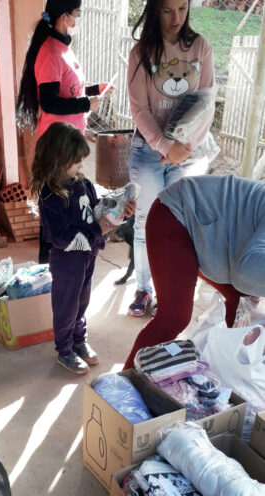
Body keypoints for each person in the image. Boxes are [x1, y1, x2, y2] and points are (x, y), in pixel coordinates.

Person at [127, 0, 215, 317]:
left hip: (187, 153)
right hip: (149, 152)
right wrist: (166, 147)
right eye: (167, 10)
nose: (176, 17)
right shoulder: (141, 52)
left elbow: (206, 101)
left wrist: (183, 147)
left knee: (178, 226)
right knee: (145, 223)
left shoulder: (200, 46)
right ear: (154, 10)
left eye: (182, 8)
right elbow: (140, 109)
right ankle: (142, 290)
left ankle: (169, 294)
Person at [123, 174, 265, 369]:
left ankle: (228, 374)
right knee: (173, 317)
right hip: (176, 215)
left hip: (210, 235)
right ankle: (122, 387)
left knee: (244, 304)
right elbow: (248, 270)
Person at [31, 122, 136, 375]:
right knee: (66, 305)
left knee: (82, 301)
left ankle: (79, 341)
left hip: (89, 256)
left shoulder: (83, 183)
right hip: (67, 262)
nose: (80, 165)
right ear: (57, 159)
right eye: (76, 161)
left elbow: (96, 208)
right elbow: (60, 237)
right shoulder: (50, 194)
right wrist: (97, 230)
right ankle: (64, 351)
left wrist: (117, 210)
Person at [16, 0, 110, 264]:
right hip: (56, 143)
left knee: (69, 204)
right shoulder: (49, 52)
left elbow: (69, 88)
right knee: (54, 211)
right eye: (76, 14)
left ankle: (66, 260)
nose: (78, 20)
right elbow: (49, 101)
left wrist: (93, 89)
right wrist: (84, 104)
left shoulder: (64, 47)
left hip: (70, 141)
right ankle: (48, 269)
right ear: (63, 16)